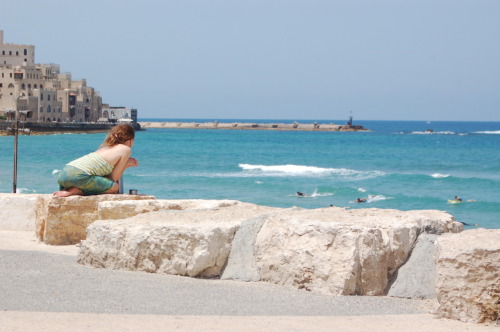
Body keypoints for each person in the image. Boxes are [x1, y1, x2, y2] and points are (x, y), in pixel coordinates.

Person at [54, 124, 139, 197]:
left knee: (97, 182)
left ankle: (69, 189)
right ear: (131, 140)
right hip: (79, 176)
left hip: (63, 175)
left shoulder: (106, 148)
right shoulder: (126, 149)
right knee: (114, 187)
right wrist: (127, 164)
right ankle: (77, 191)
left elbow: (102, 176)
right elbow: (114, 178)